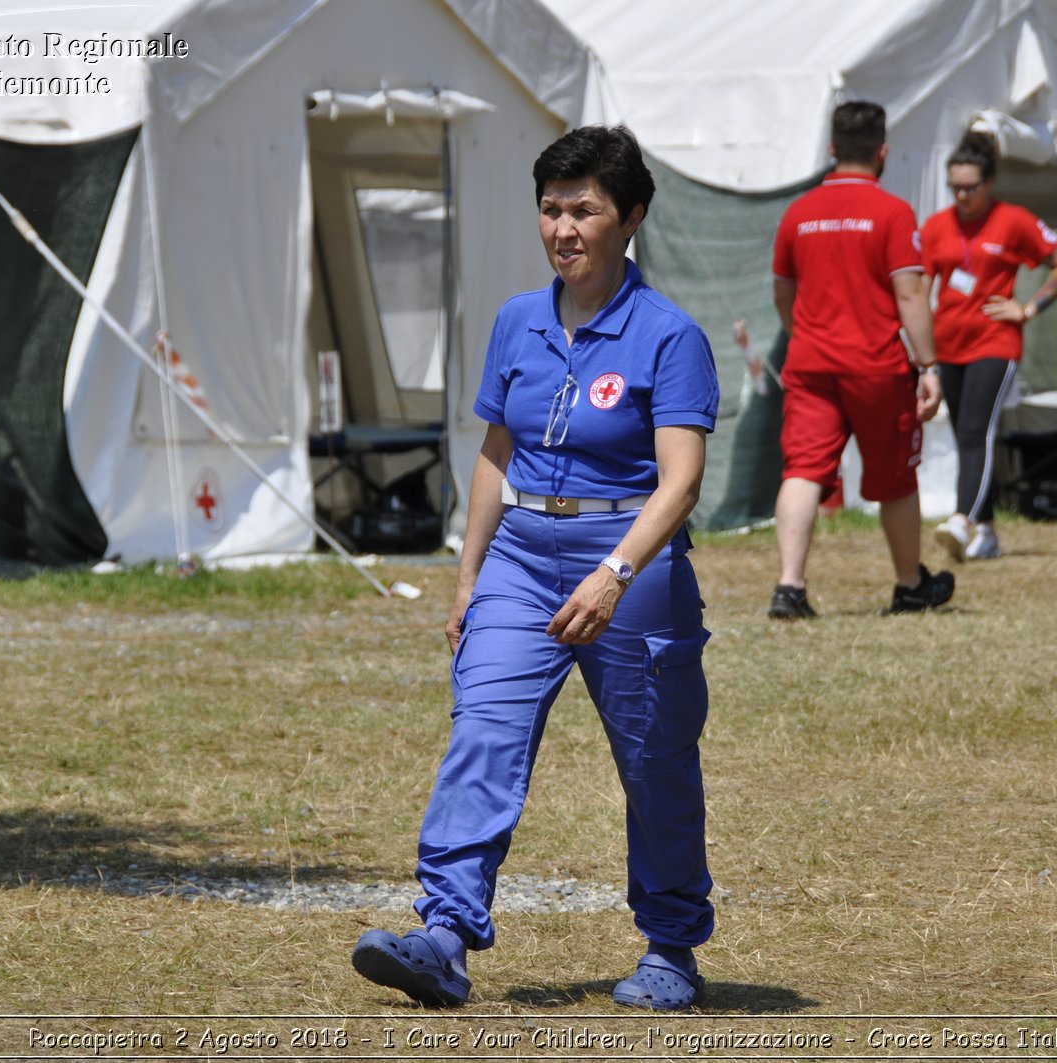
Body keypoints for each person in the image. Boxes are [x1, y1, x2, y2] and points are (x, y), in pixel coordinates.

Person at [351, 125, 720, 1012]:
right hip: (521, 553)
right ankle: (442, 935)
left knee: (653, 760)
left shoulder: (670, 336)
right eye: (551, 209)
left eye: (584, 210)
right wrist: (470, 576)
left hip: (630, 560)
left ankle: (670, 946)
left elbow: (682, 482)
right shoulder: (518, 319)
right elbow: (494, 453)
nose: (564, 228)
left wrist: (614, 576)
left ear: (630, 217)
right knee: (483, 728)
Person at [767, 100, 953, 619]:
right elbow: (910, 295)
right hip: (877, 367)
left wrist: (801, 333)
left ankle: (790, 587)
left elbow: (783, 291)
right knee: (895, 478)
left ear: (832, 150)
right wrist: (929, 366)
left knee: (803, 471)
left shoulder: (797, 212)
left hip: (810, 364)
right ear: (883, 152)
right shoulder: (893, 212)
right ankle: (910, 585)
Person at [923, 130, 1057, 561]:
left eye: (970, 188)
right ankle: (987, 530)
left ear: (988, 183)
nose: (962, 195)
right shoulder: (937, 226)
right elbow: (919, 284)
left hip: (994, 343)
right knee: (966, 436)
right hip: (947, 346)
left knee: (977, 431)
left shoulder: (1014, 221)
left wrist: (1027, 309)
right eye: (954, 187)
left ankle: (961, 520)